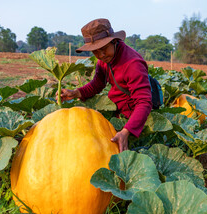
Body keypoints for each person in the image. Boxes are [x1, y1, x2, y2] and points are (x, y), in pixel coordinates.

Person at [58, 18, 152, 152]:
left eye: (103, 49)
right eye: (95, 51)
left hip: (133, 119)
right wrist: (76, 93)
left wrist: (126, 131)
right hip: (117, 112)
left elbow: (144, 102)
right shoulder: (104, 59)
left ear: (113, 41)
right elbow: (97, 84)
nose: (100, 54)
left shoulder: (133, 64)